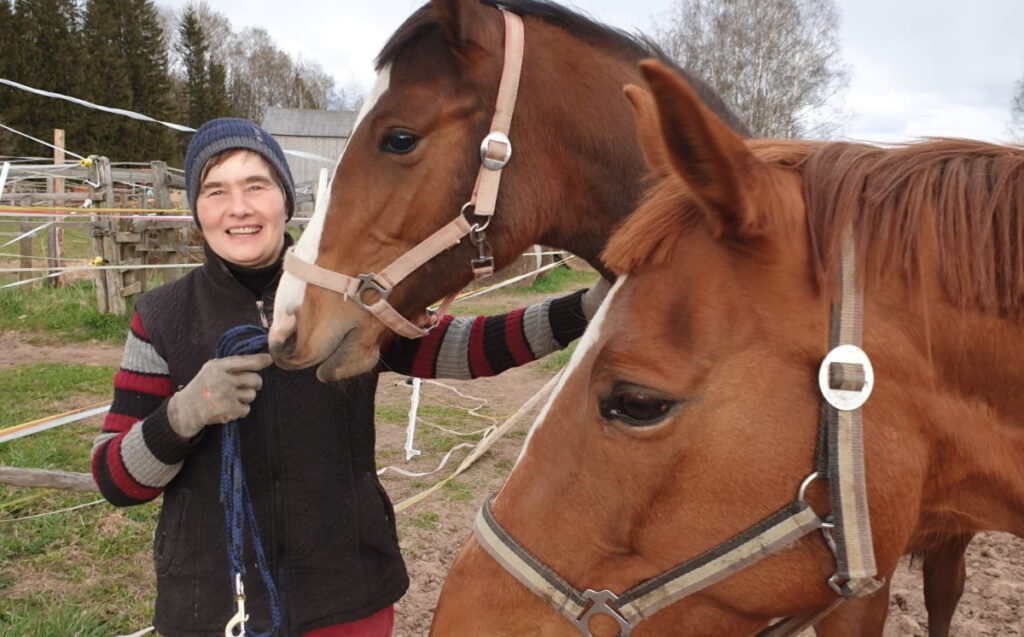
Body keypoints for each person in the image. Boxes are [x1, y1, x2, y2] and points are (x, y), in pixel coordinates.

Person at [90, 118, 609, 637]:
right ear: (196, 209)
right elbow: (116, 481)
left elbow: (466, 348)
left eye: (257, 186)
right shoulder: (161, 317)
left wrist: (580, 311)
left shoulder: (349, 299)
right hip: (215, 602)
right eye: (215, 190)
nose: (239, 207)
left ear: (285, 200)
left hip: (347, 591)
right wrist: (183, 414)